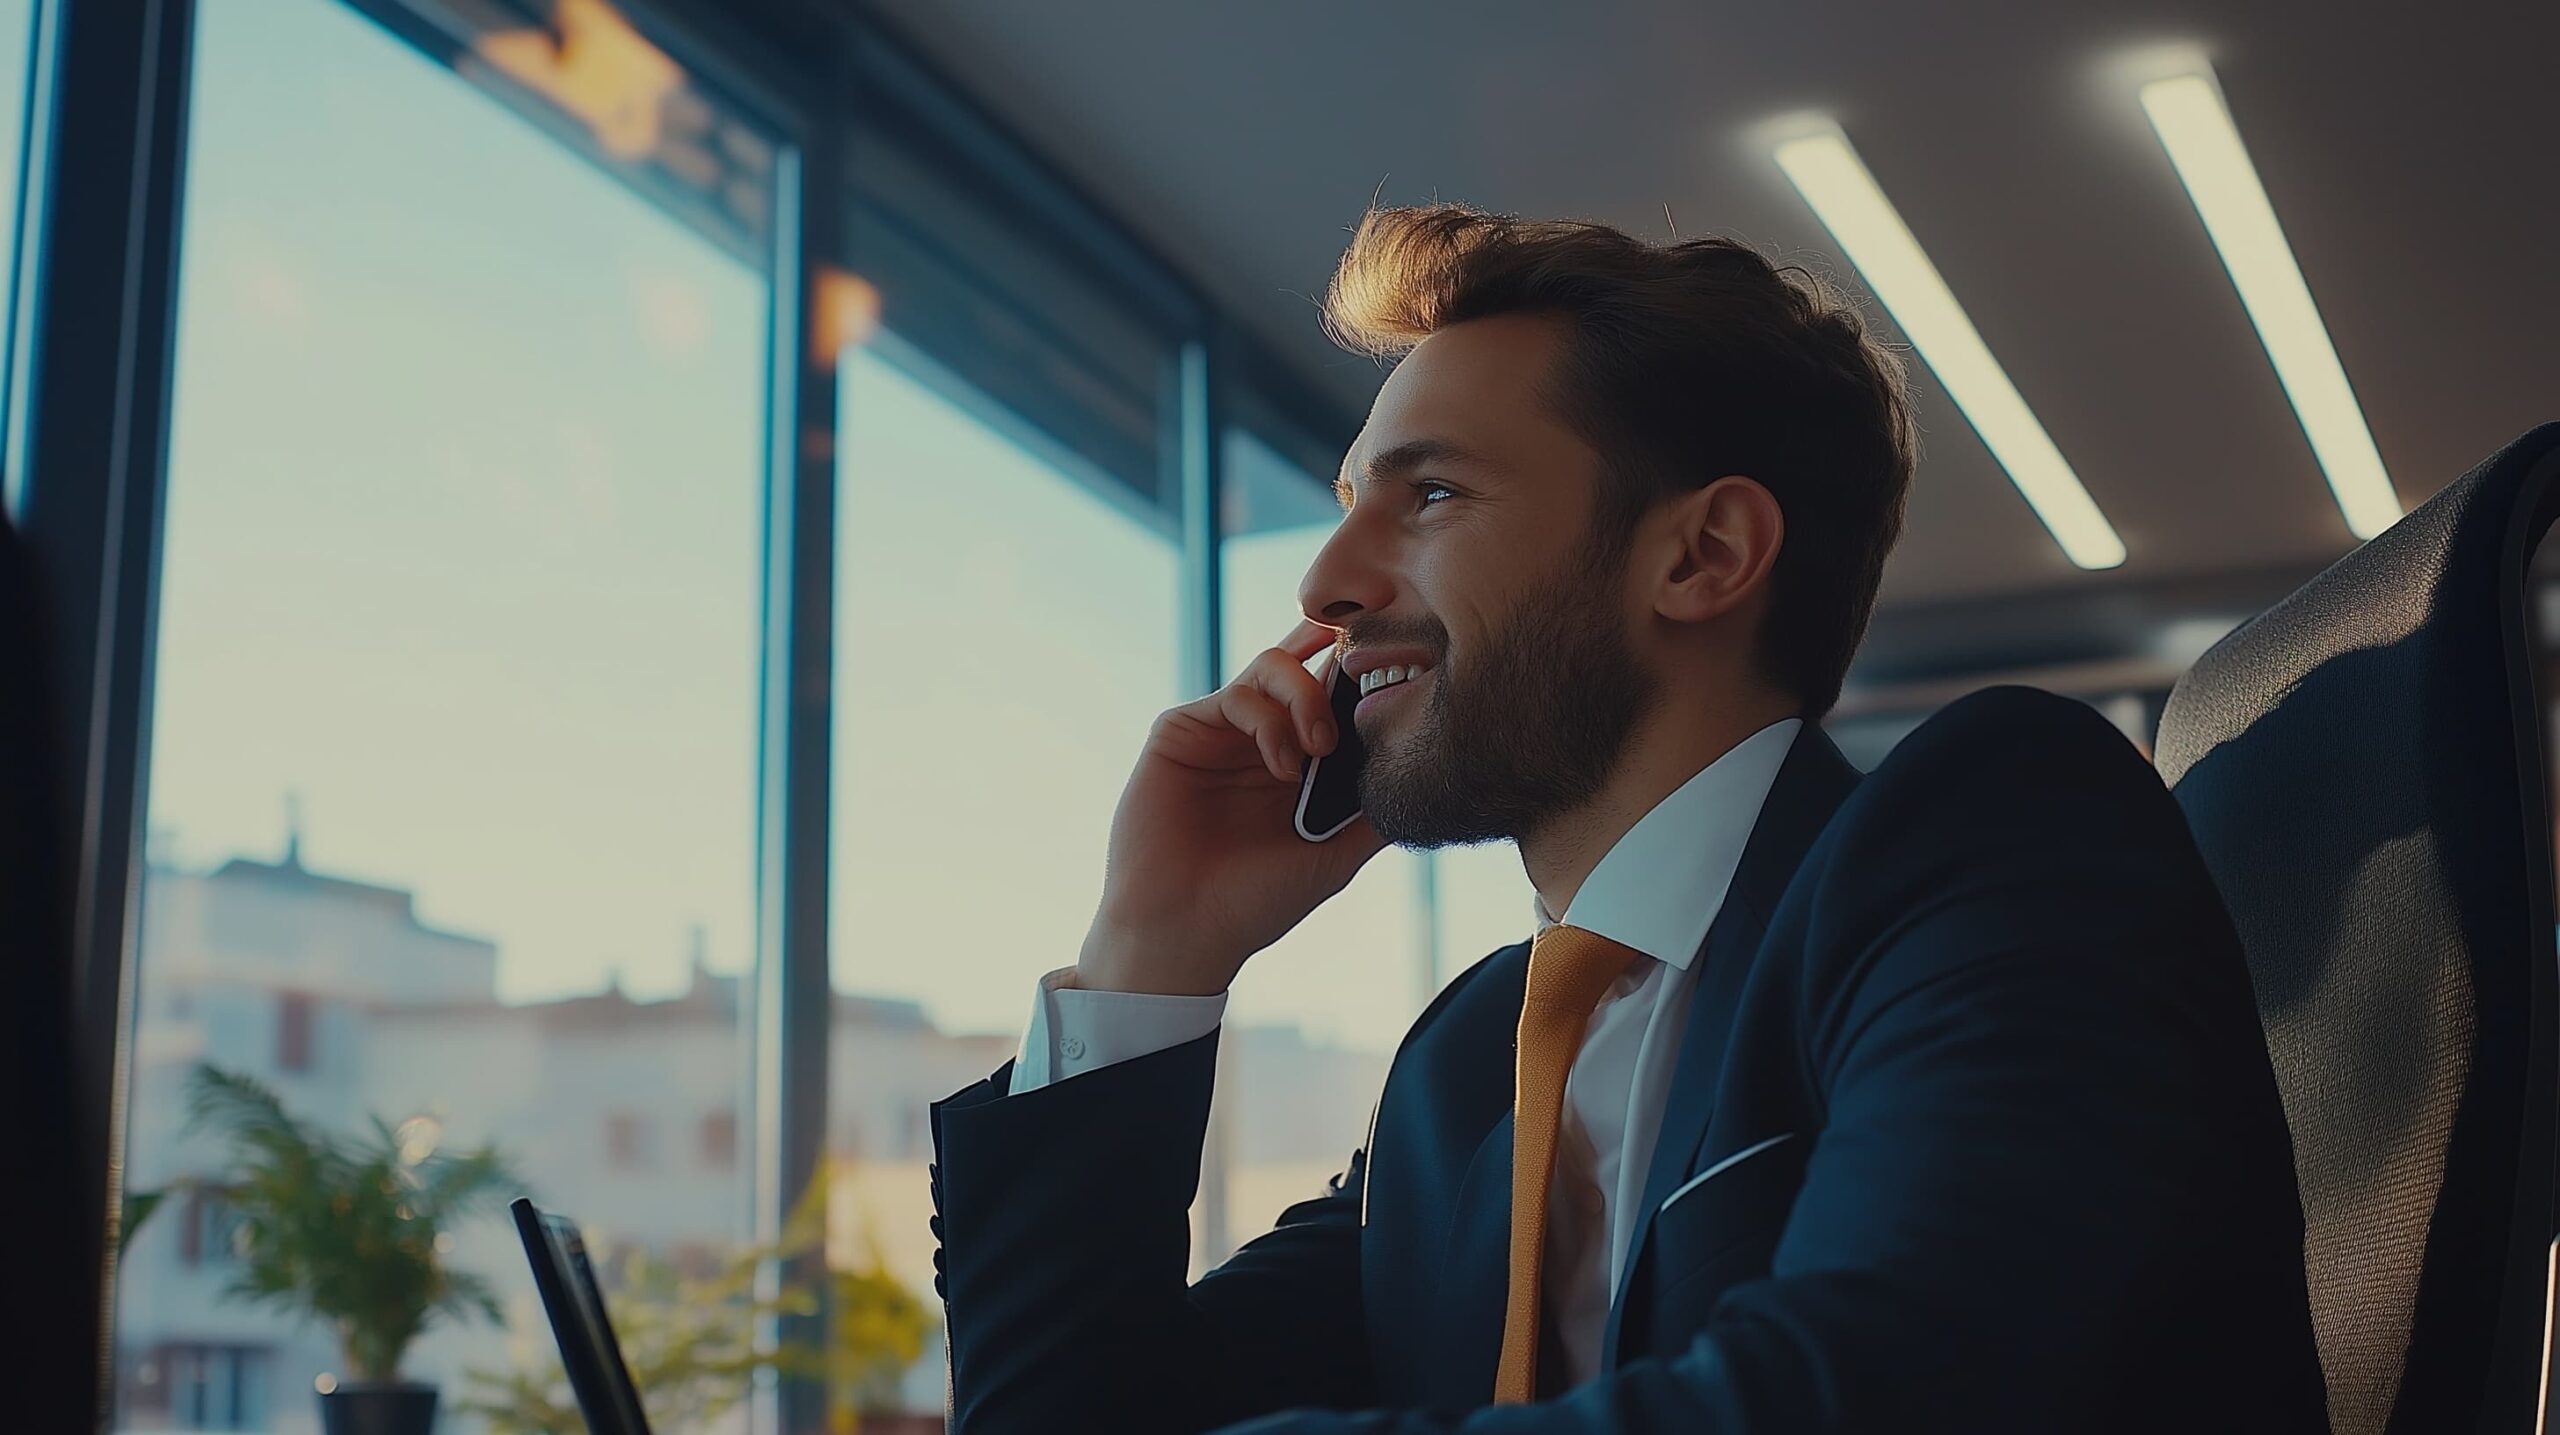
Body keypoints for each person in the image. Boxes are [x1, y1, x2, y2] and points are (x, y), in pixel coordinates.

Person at [926, 203, 2327, 1433]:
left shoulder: (1988, 843)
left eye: (1428, 495)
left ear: (1702, 555)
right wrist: (1148, 957)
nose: (1328, 583)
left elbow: (1880, 1392)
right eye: (1353, 501)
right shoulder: (1469, 1067)